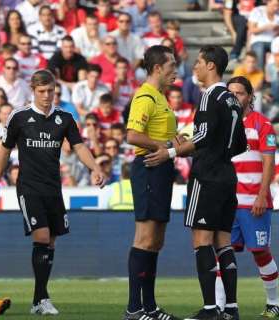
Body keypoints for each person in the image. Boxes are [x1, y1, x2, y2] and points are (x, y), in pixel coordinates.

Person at [0, 69, 107, 315]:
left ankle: (38, 300)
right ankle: (42, 298)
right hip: (29, 187)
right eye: (42, 91)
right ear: (33, 91)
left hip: (53, 188)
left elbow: (79, 146)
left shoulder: (64, 118)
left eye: (51, 91)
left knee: (51, 241)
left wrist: (95, 168)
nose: (47, 96)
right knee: (42, 236)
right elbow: (4, 151)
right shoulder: (19, 117)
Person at [146, 45, 247, 320]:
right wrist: (206, 148)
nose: (195, 66)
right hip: (228, 176)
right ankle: (231, 309)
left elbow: (201, 136)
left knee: (201, 241)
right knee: (223, 242)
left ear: (211, 66)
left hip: (207, 176)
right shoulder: (231, 100)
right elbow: (240, 144)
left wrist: (170, 151)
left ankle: (211, 309)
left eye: (200, 61)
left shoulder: (209, 97)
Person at [122, 45, 180, 320]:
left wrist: (174, 144)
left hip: (161, 168)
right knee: (144, 238)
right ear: (158, 67)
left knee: (156, 240)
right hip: (148, 168)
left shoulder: (160, 97)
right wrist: (164, 145)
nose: (175, 71)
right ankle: (134, 308)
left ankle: (150, 306)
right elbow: (132, 135)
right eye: (171, 66)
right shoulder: (145, 96)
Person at [226, 76, 279, 318]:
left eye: (239, 93)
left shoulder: (262, 124)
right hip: (228, 203)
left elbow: (269, 162)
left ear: (250, 96)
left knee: (260, 252)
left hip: (254, 203)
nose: (234, 97)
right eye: (231, 93)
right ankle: (225, 307)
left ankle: (274, 303)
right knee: (223, 253)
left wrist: (262, 195)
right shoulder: (224, 124)